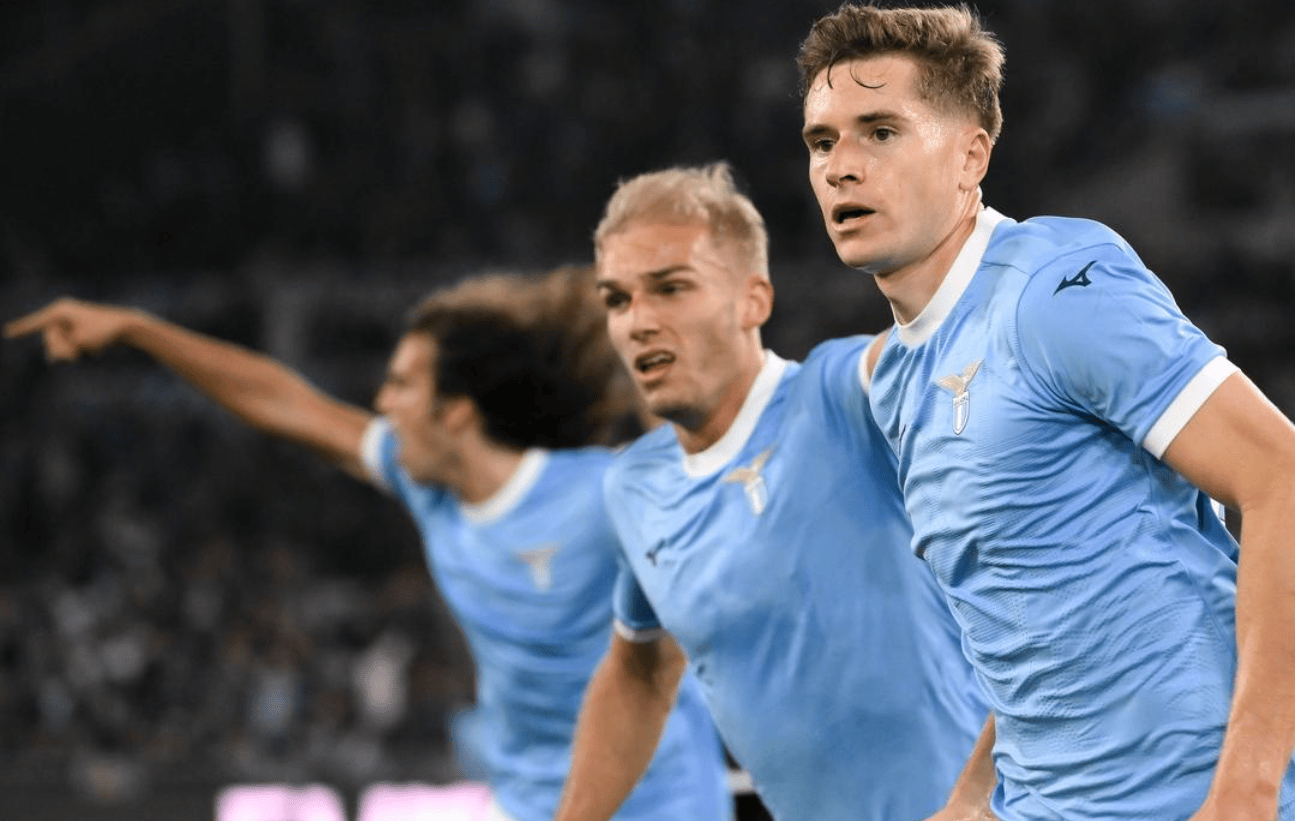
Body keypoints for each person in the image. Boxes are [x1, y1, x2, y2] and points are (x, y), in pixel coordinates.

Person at [796, 5, 1295, 820]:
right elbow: (1030, 615)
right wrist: (969, 799)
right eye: (822, 142)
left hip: (1184, 797)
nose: (841, 167)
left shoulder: (1054, 289)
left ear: (970, 155)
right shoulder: (893, 376)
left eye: (880, 131)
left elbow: (1282, 478)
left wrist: (1246, 788)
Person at [4, 267, 731, 821]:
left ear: (455, 413)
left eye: (402, 385)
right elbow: (284, 402)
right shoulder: (427, 484)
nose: (382, 404)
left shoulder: (597, 492)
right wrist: (139, 330)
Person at [552, 162, 988, 821]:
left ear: (752, 300)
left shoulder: (841, 396)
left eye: (670, 288)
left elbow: (951, 344)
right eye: (617, 299)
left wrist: (977, 799)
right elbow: (640, 671)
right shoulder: (633, 486)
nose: (637, 321)